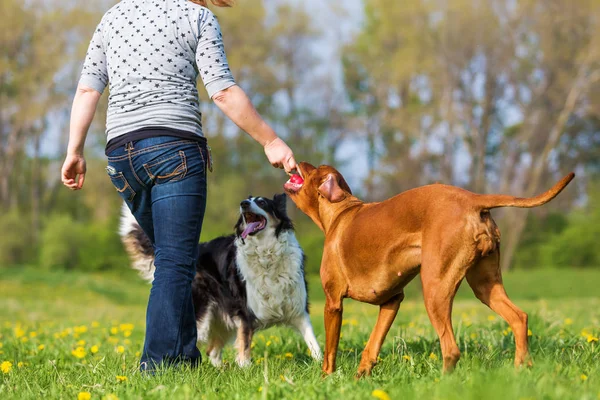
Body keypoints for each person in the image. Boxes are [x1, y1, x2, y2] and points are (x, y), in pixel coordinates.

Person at [61, 0, 297, 371]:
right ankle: (155, 365)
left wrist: (74, 149)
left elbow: (88, 90)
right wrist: (270, 140)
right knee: (175, 263)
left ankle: (186, 359)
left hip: (122, 157)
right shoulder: (197, 16)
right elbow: (221, 90)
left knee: (177, 260)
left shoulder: (114, 15)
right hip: (175, 149)